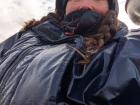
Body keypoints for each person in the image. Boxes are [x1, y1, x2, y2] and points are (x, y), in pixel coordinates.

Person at [0, 0, 140, 105]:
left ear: (111, 10)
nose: (86, 4)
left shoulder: (124, 46)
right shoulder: (23, 38)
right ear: (63, 7)